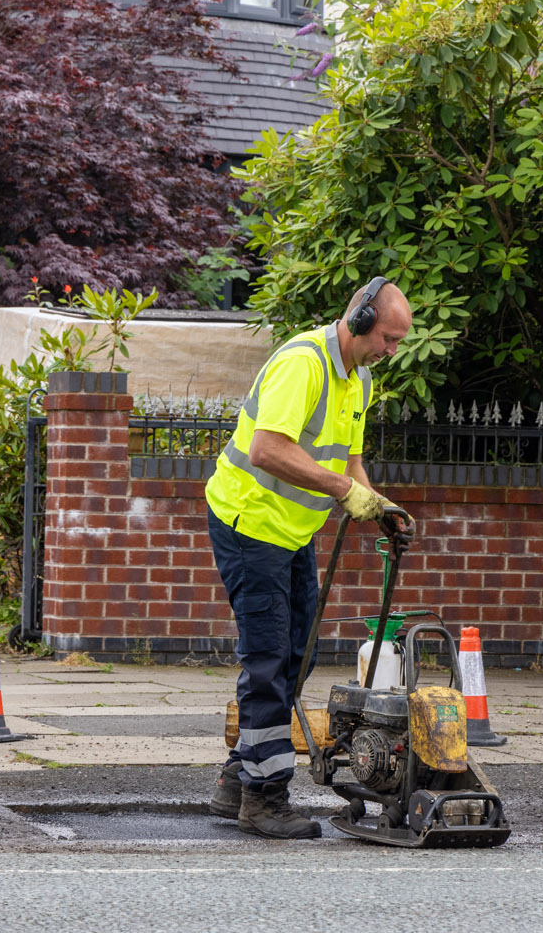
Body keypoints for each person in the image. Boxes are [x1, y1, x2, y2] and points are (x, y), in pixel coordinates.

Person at [203, 277, 415, 838]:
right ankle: (263, 799)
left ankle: (236, 780)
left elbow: (349, 464)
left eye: (397, 342)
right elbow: (266, 449)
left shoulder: (359, 380)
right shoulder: (305, 363)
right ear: (362, 320)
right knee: (269, 656)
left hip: (293, 531)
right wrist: (346, 492)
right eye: (388, 338)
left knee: (299, 652)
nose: (390, 351)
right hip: (249, 523)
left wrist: (378, 504)